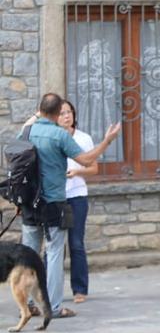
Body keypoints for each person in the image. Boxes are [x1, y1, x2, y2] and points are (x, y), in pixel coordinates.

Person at [20, 93, 120, 319]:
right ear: (57, 114)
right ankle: (53, 307)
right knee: (55, 252)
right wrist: (107, 141)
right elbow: (87, 160)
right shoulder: (59, 135)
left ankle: (26, 305)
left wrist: (40, 112)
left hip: (28, 202)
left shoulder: (26, 131)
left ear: (39, 111)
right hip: (53, 202)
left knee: (28, 254)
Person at [60, 100, 96, 305]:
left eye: (69, 112)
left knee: (76, 243)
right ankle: (50, 287)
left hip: (77, 196)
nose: (67, 116)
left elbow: (94, 169)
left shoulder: (84, 138)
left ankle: (80, 289)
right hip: (56, 197)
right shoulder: (53, 137)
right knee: (54, 246)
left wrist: (77, 172)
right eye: (63, 113)